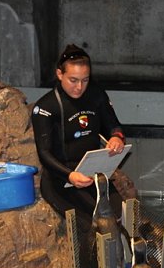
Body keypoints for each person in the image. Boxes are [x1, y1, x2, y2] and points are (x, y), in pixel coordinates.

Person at [31, 44, 127, 233]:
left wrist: (117, 138)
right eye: (73, 80)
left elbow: (114, 126)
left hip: (93, 171)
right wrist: (70, 175)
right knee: (99, 224)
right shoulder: (46, 107)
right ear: (60, 74)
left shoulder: (96, 95)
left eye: (85, 80)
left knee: (121, 215)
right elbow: (44, 153)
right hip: (62, 178)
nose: (79, 87)